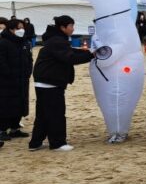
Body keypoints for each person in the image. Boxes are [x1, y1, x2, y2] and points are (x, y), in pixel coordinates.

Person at [29, 15, 94, 151]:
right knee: (56, 113)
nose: (73, 29)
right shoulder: (57, 41)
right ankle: (57, 143)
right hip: (50, 83)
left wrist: (87, 52)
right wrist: (91, 55)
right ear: (63, 27)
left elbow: (69, 51)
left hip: (44, 82)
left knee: (43, 114)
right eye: (71, 26)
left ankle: (35, 142)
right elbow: (69, 57)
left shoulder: (55, 39)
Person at [0, 18, 33, 141]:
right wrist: (8, 74)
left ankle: (15, 128)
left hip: (22, 79)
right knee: (6, 104)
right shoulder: (3, 42)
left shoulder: (25, 42)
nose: (21, 30)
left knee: (20, 103)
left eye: (22, 28)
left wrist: (28, 72)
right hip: (7, 81)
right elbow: (1, 61)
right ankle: (2, 130)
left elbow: (29, 59)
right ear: (11, 29)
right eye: (18, 28)